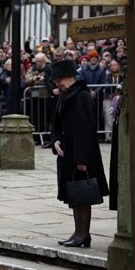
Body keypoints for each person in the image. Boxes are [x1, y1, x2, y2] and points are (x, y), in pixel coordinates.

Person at [51, 60, 109, 248]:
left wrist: (81, 159)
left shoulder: (81, 96)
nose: (57, 84)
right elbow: (57, 124)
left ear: (69, 77)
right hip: (67, 153)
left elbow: (85, 130)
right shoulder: (66, 95)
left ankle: (83, 234)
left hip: (80, 154)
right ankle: (78, 232)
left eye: (59, 79)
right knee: (75, 194)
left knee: (83, 193)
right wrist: (56, 140)